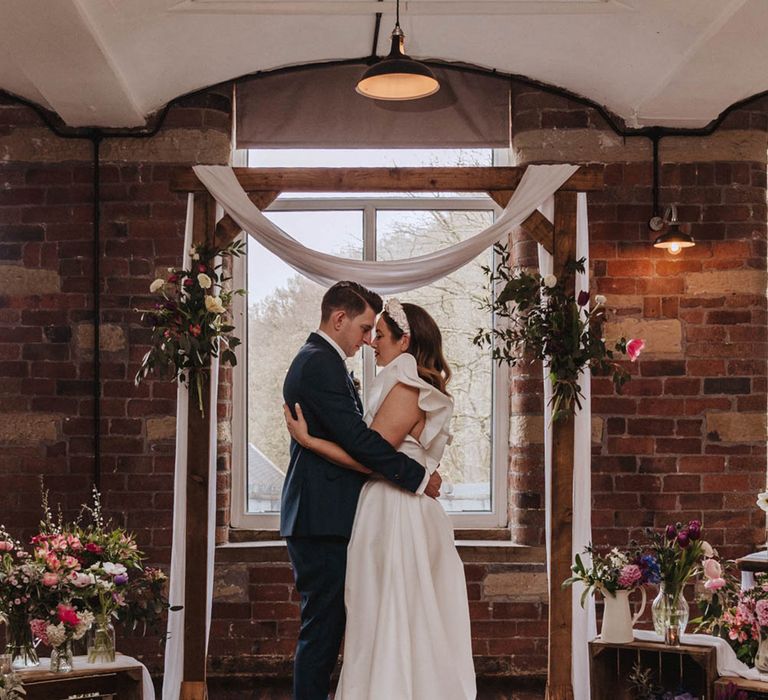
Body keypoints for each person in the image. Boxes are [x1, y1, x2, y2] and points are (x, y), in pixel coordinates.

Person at [285, 299, 476, 700]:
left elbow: (366, 454)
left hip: (397, 511)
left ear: (404, 340)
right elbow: (372, 450)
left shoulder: (405, 382)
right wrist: (420, 474)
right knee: (385, 617)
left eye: (381, 334)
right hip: (390, 504)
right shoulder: (395, 378)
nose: (372, 342)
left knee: (393, 617)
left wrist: (309, 441)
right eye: (368, 332)